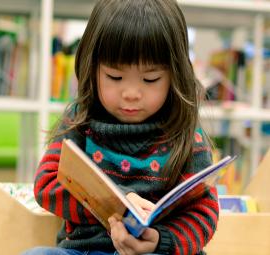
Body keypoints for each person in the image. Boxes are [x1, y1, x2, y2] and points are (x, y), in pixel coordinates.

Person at [22, 0, 218, 254]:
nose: (131, 93)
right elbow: (47, 185)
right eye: (114, 77)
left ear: (175, 74)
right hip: (86, 250)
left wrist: (160, 239)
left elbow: (204, 214)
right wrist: (117, 206)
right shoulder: (81, 119)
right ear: (92, 68)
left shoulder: (187, 133)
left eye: (151, 79)